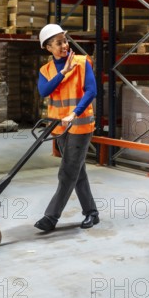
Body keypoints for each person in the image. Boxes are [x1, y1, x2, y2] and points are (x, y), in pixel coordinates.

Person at [34, 24, 99, 232]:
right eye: (59, 43)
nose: (64, 45)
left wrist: (75, 112)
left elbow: (91, 91)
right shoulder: (46, 70)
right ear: (48, 48)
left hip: (80, 125)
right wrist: (63, 72)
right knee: (77, 171)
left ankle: (51, 217)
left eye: (65, 40)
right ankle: (92, 212)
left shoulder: (82, 62)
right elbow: (44, 91)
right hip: (59, 128)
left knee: (68, 171)